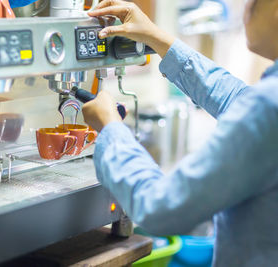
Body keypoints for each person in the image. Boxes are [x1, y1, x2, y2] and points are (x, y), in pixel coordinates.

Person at [82, 0, 278, 266]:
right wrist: (158, 37)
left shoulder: (270, 104)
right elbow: (238, 98)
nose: (245, 9)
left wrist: (111, 128)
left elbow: (159, 208)